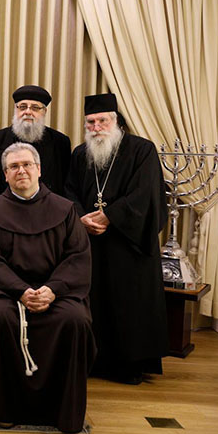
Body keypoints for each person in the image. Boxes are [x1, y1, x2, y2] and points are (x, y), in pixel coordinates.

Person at [0, 143, 95, 434]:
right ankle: (2, 408)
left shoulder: (65, 210)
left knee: (75, 320)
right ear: (5, 175)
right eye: (14, 167)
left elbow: (77, 257)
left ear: (39, 169)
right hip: (7, 291)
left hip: (56, 291)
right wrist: (20, 291)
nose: (21, 171)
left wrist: (52, 289)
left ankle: (62, 410)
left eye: (27, 164)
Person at [65, 93, 168, 384]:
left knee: (129, 303)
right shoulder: (79, 153)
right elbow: (69, 190)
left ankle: (129, 365)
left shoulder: (141, 150)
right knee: (95, 301)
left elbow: (145, 194)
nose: (96, 127)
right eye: (91, 122)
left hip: (128, 244)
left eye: (102, 121)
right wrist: (82, 216)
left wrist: (110, 216)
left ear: (116, 121)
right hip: (91, 241)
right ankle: (94, 360)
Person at [0, 85, 71, 203]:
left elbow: (66, 184)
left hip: (48, 212)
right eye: (22, 107)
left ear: (44, 111)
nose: (28, 112)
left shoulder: (60, 142)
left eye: (35, 108)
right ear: (16, 109)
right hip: (3, 212)